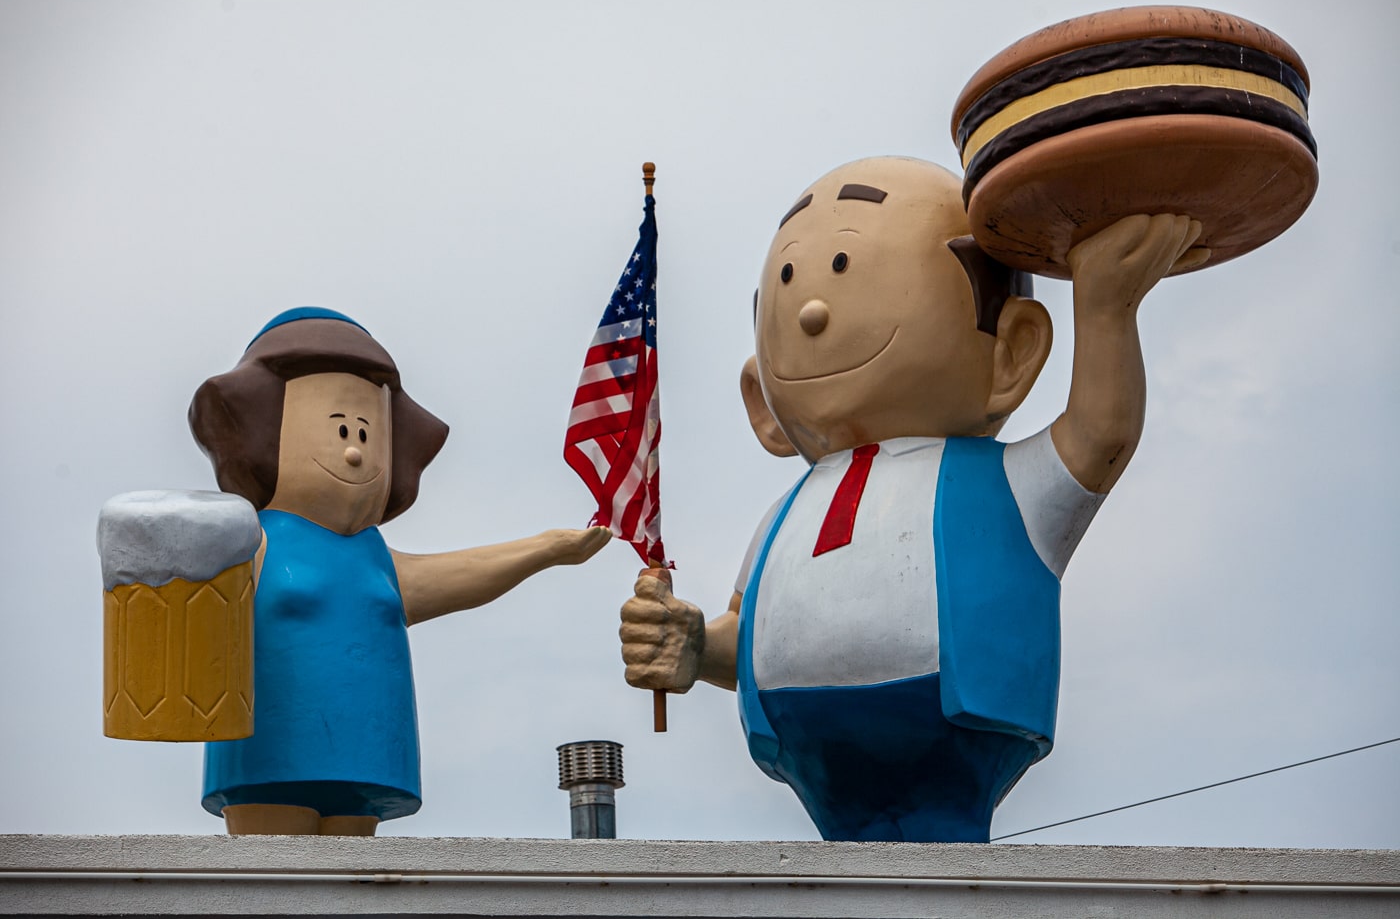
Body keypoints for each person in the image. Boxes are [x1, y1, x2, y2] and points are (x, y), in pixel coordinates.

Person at [618, 157, 1207, 841]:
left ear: (1012, 351)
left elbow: (1100, 433)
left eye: (844, 268)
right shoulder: (783, 519)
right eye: (791, 281)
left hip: (957, 728)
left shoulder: (1005, 485)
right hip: (809, 758)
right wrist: (697, 645)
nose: (811, 311)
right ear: (762, 400)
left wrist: (1105, 311)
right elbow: (747, 631)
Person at [189, 307, 610, 836]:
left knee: (354, 891)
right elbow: (188, 603)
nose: (351, 450)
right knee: (275, 881)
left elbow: (456, 574)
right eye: (339, 428)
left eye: (364, 432)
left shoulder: (374, 555)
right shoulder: (252, 540)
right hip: (266, 758)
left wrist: (545, 549)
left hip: (366, 758)